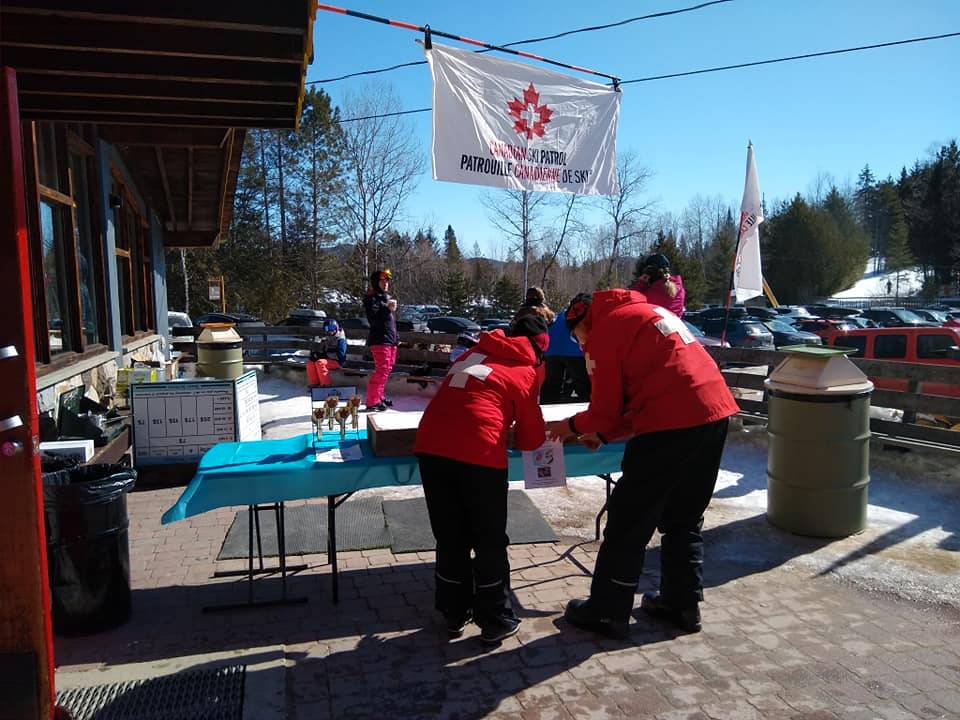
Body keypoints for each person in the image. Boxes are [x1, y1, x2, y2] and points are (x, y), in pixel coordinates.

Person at [547, 289, 739, 638]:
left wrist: (573, 426)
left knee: (629, 519)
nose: (579, 346)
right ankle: (682, 605)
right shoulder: (645, 313)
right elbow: (648, 392)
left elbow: (606, 409)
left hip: (671, 423)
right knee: (684, 516)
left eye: (577, 339)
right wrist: (604, 434)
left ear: (581, 322)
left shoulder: (605, 331)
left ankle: (606, 611)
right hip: (714, 413)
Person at [414, 315, 549, 644]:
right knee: (488, 539)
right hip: (479, 454)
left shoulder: (470, 353)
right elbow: (531, 441)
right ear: (539, 348)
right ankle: (495, 618)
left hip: (431, 446)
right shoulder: (525, 369)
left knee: (451, 535)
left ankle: (453, 612)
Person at [363, 268, 399, 412]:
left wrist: (396, 338)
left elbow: (390, 322)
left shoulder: (386, 298)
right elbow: (374, 320)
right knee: (381, 370)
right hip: (379, 340)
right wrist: (387, 308)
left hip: (390, 340)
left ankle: (379, 396)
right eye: (382, 281)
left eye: (387, 281)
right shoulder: (371, 298)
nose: (385, 284)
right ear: (375, 282)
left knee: (387, 370)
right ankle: (372, 402)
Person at [540, 313, 591, 404]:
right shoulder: (584, 312)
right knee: (580, 380)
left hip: (552, 349)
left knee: (552, 381)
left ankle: (547, 404)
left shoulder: (564, 313)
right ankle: (587, 403)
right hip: (573, 350)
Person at [631, 253, 685, 317]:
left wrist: (640, 283)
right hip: (676, 326)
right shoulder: (679, 288)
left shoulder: (653, 292)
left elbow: (632, 303)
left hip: (655, 326)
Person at [306, 318, 348, 387]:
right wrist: (318, 355)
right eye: (326, 329)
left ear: (336, 328)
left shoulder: (341, 339)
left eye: (332, 328)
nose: (329, 331)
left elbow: (341, 355)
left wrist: (327, 356)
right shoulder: (328, 338)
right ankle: (314, 384)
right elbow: (325, 351)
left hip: (338, 361)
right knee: (310, 363)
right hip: (329, 360)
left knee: (320, 363)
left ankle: (325, 385)